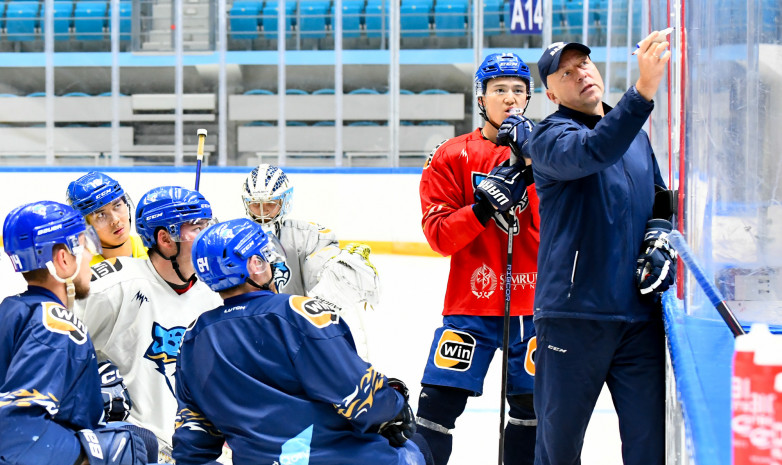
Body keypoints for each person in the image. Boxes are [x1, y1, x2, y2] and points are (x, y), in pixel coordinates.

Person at [525, 34, 677, 465]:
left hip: (638, 318)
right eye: (566, 73)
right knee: (559, 449)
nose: (581, 75)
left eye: (584, 64)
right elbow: (594, 152)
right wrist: (643, 91)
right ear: (552, 93)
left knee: (650, 446)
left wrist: (660, 233)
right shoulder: (550, 137)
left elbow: (660, 197)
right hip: (575, 317)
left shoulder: (634, 137)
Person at [172, 217, 432, 465]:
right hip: (347, 457)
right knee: (421, 446)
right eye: (265, 255)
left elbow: (192, 444)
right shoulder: (297, 312)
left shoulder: (193, 339)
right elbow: (361, 397)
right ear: (255, 265)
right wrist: (396, 407)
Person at [416, 52, 540, 465]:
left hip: (535, 306)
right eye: (499, 90)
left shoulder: (551, 151)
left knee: (531, 413)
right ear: (481, 98)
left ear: (530, 98)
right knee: (435, 408)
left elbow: (562, 231)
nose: (509, 99)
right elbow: (438, 237)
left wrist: (529, 164)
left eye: (518, 91)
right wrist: (481, 210)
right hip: (471, 305)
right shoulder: (451, 156)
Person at [74, 186, 222, 463]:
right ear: (165, 239)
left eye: (207, 225)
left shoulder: (217, 291)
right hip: (135, 449)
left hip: (202, 451)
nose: (207, 236)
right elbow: (51, 343)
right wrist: (90, 380)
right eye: (196, 228)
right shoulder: (114, 284)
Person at [0, 200, 155, 465]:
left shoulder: (12, 309)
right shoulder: (58, 326)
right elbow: (17, 430)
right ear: (63, 259)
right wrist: (89, 455)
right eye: (86, 245)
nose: (90, 259)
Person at [241, 163, 381, 358]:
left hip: (298, 336)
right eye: (256, 204)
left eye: (270, 204)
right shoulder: (236, 238)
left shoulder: (308, 236)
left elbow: (323, 285)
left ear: (285, 201)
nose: (263, 212)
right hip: (248, 334)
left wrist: (341, 271)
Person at [66, 171, 149, 266]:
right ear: (86, 226)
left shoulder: (156, 250)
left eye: (117, 206)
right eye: (101, 215)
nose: (115, 220)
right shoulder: (83, 271)